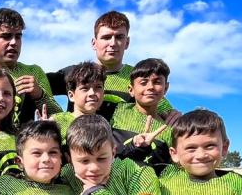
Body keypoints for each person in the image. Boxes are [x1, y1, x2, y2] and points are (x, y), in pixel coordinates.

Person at [48, 11, 176, 122]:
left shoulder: (139, 77)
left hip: (127, 143)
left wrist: (173, 115)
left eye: (119, 37)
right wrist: (56, 120)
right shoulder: (74, 73)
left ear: (127, 42)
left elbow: (167, 111)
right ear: (94, 43)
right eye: (106, 37)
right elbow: (38, 87)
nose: (113, 43)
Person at [0, 8, 61, 128]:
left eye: (18, 37)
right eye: (6, 36)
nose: (14, 42)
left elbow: (59, 117)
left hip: (25, 139)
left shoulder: (34, 72)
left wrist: (39, 94)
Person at [111, 58, 175, 165]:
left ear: (166, 88)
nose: (150, 87)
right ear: (131, 90)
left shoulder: (171, 128)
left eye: (157, 82)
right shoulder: (115, 111)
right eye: (143, 82)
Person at [51, 62, 105, 141]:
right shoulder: (57, 122)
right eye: (85, 88)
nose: (92, 93)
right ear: (71, 95)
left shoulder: (107, 124)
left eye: (98, 87)